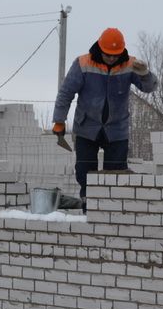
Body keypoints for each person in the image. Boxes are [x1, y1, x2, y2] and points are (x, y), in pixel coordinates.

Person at [53, 27, 157, 203]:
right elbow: (66, 93)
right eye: (107, 54)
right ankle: (88, 206)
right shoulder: (83, 64)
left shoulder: (130, 65)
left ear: (121, 51)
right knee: (85, 173)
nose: (111, 58)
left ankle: (112, 213)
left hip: (117, 130)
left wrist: (145, 74)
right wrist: (59, 120)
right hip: (87, 127)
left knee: (116, 176)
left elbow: (149, 88)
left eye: (115, 55)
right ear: (100, 48)